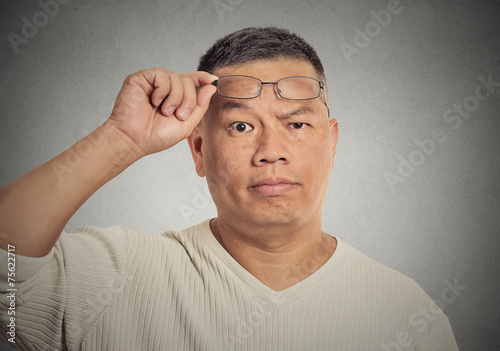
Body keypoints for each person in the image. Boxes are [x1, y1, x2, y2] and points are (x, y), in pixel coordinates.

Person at [0, 27, 458, 350]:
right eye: (240, 125)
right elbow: (7, 279)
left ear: (332, 142)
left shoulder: (406, 317)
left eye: (296, 123)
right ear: (198, 149)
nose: (270, 151)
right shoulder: (115, 278)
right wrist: (120, 140)